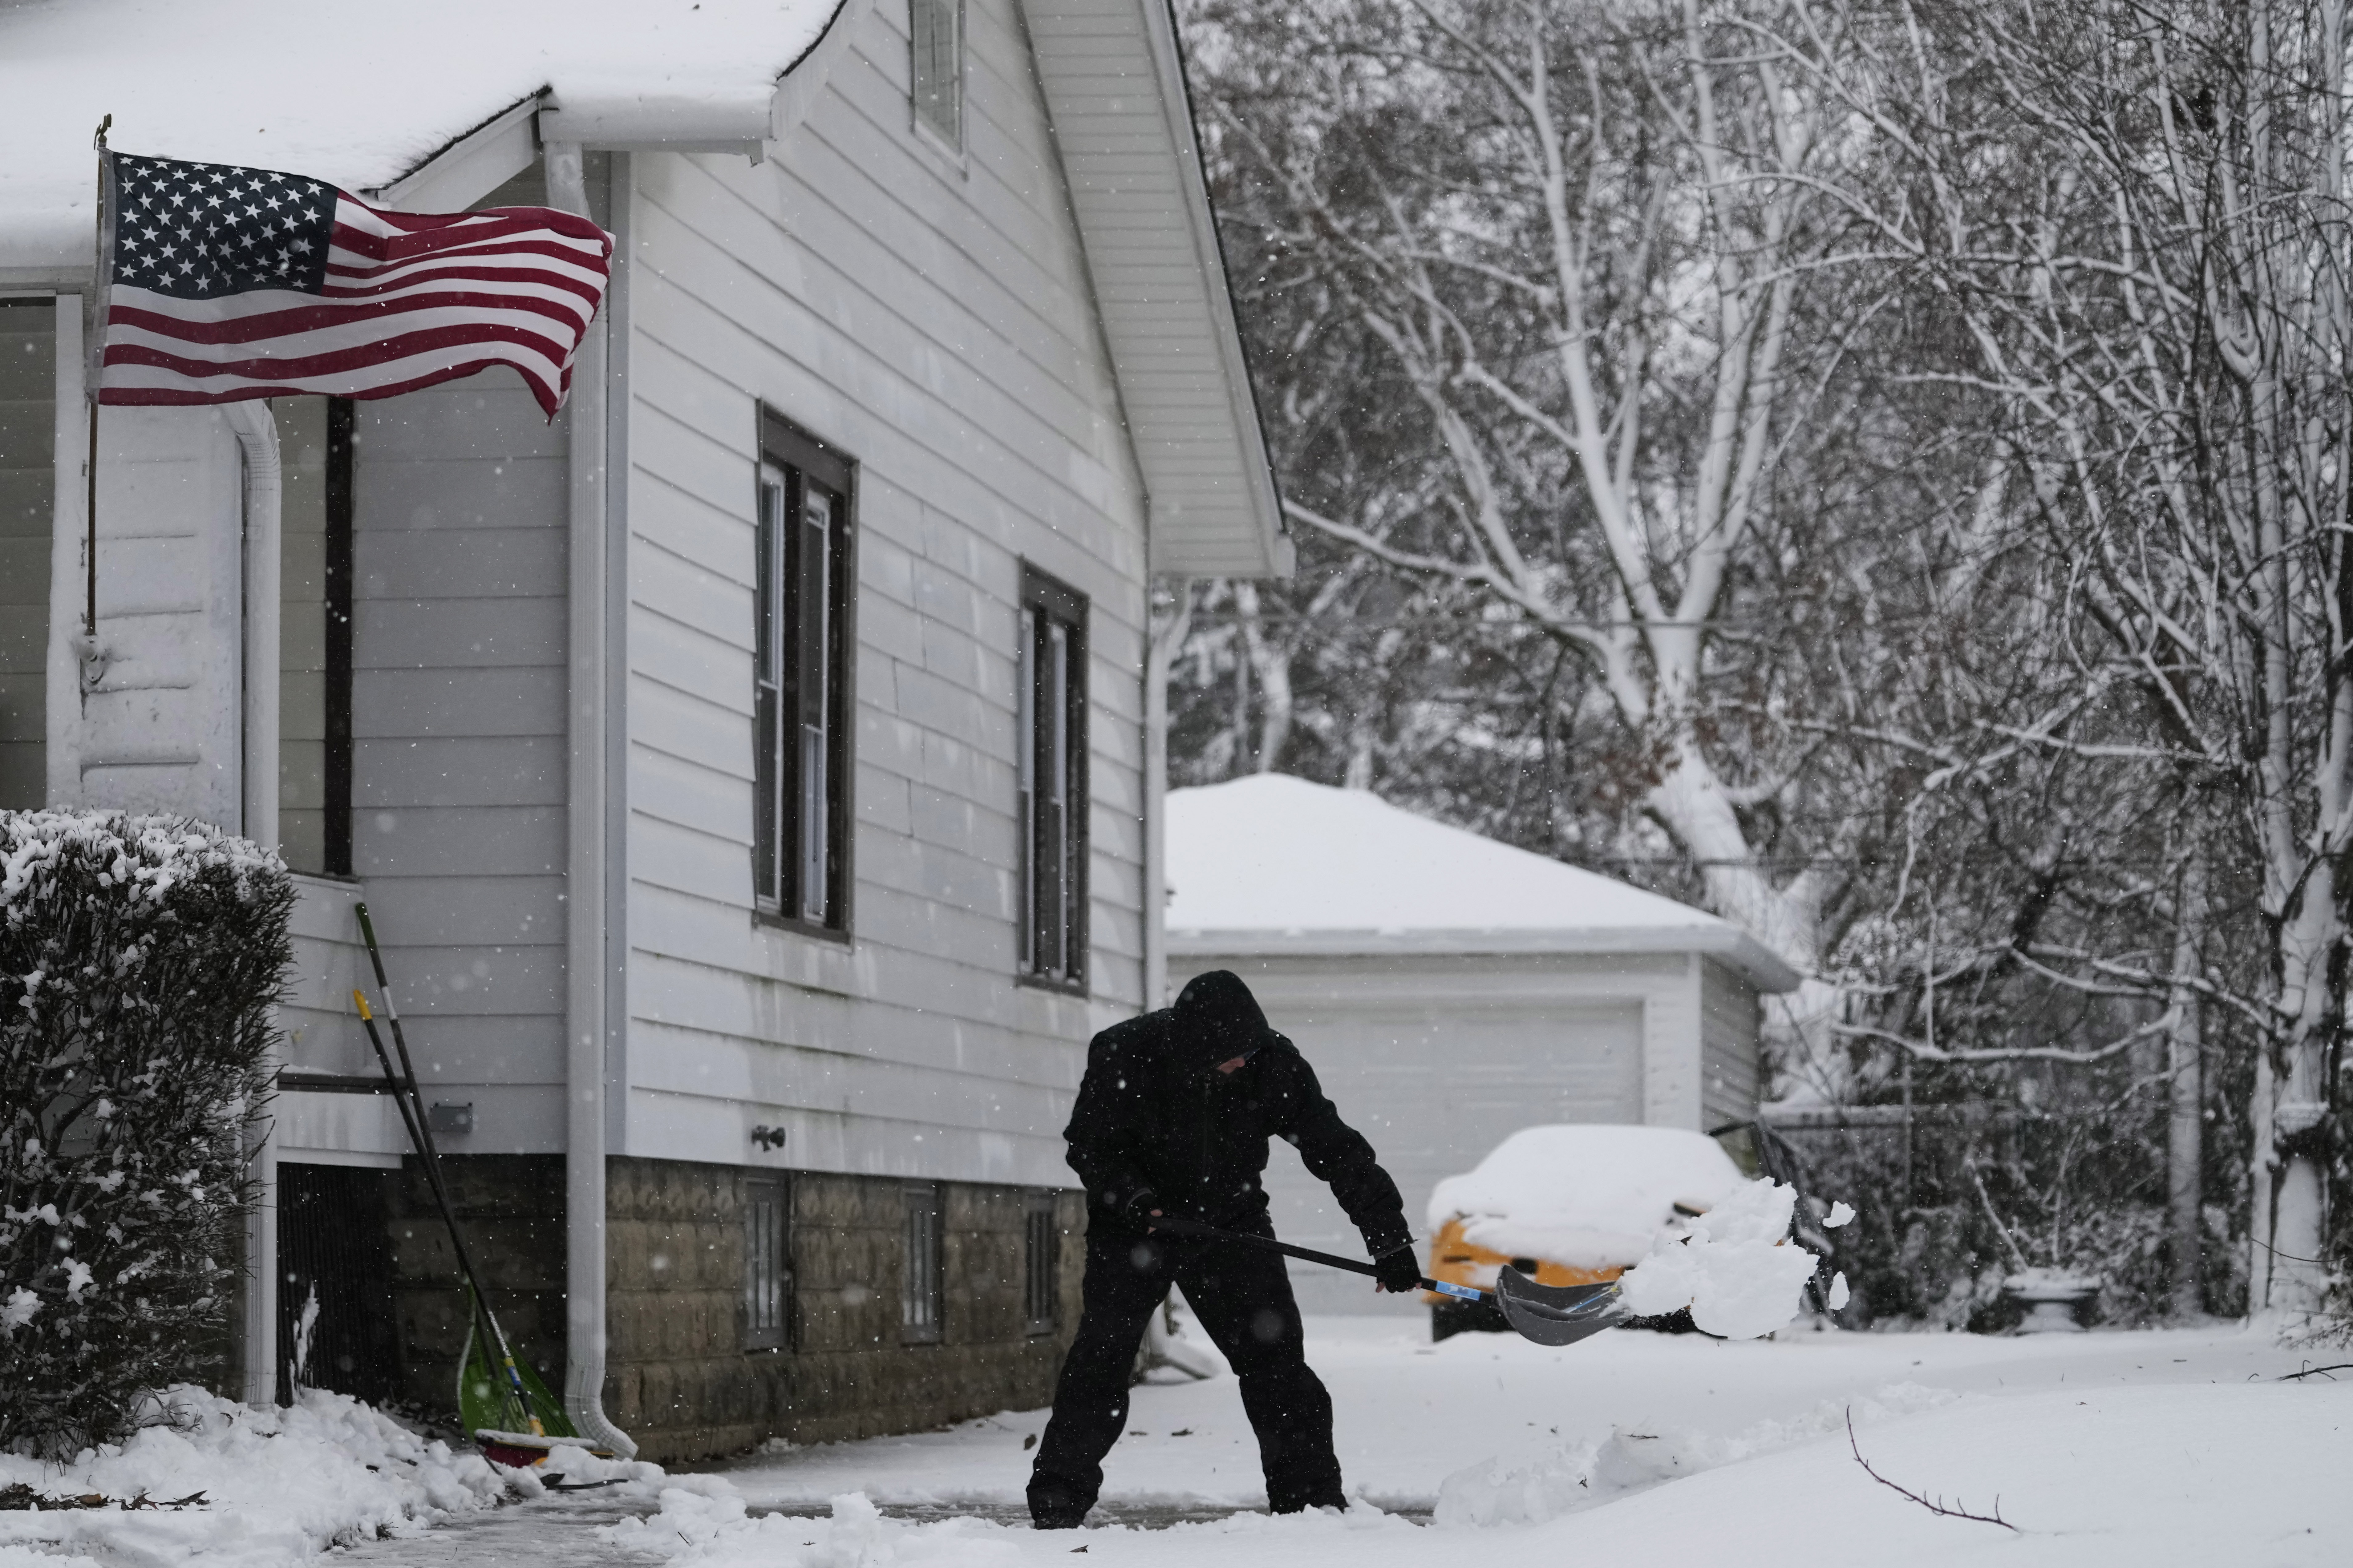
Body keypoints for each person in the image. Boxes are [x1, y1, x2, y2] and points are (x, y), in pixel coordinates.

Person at [1026, 969, 1422, 1529]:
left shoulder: (1271, 1062)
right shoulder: (1125, 1052)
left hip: (1230, 1225)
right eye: (1230, 1055)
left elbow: (1337, 1151)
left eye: (1249, 1052)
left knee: (1278, 1363)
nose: (1242, 1064)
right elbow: (1091, 1147)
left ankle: (1309, 1506)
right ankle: (1057, 1504)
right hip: (1137, 1227)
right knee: (1102, 1360)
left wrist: (1389, 1239)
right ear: (1195, 1046)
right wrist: (1135, 1199)